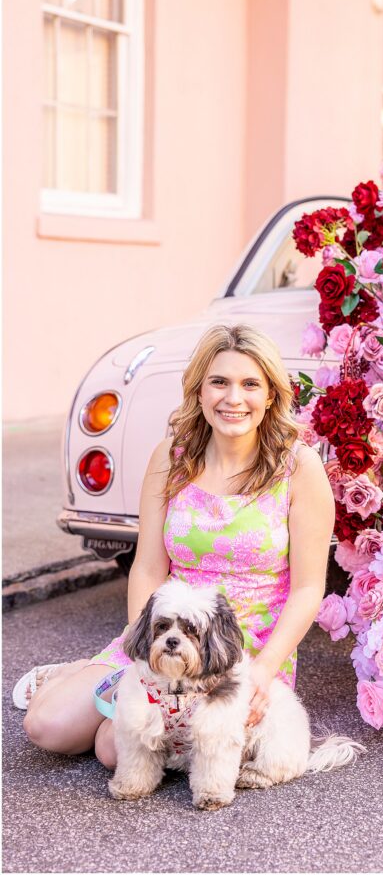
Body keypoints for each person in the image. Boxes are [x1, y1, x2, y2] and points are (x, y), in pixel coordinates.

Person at [17, 324, 335, 770]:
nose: (233, 398)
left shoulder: (299, 468)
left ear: (270, 396)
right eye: (219, 382)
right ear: (199, 390)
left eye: (250, 384)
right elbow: (148, 567)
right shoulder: (171, 459)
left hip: (243, 651)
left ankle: (90, 689)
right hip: (166, 634)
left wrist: (264, 669)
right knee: (46, 727)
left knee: (112, 749)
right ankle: (77, 673)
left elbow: (307, 588)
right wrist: (143, 652)